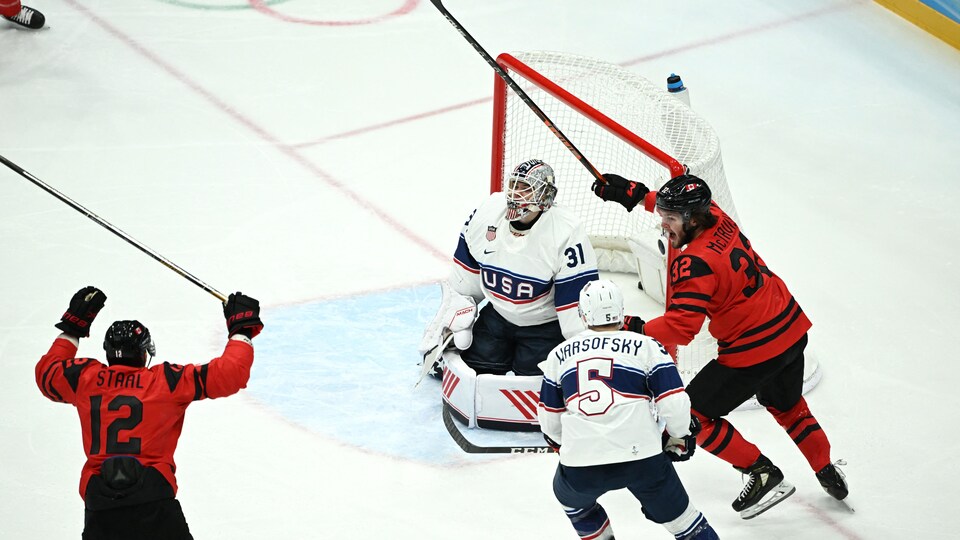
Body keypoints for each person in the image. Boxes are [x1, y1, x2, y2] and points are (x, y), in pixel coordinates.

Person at [592, 172, 848, 518]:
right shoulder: (717, 216)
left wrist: (633, 327)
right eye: (662, 215)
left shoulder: (693, 262)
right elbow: (678, 210)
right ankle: (826, 467)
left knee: (692, 415)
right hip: (789, 329)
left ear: (693, 220)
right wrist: (638, 196)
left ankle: (760, 472)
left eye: (670, 219)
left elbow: (682, 328)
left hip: (753, 348)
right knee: (787, 406)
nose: (663, 225)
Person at [35, 286, 263, 539]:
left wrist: (73, 328)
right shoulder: (166, 381)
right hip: (154, 500)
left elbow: (47, 374)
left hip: (101, 503)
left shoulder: (85, 379)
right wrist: (241, 331)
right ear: (144, 353)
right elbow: (231, 375)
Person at [537, 279, 719, 540]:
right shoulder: (647, 345)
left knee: (572, 502)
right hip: (642, 459)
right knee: (686, 523)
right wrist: (679, 436)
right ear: (622, 311)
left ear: (583, 315)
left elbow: (550, 422)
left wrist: (569, 447)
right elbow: (674, 402)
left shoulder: (558, 356)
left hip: (581, 466)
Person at [419, 159, 599, 377]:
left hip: (544, 326)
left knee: (540, 380)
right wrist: (454, 317)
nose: (515, 194)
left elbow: (574, 311)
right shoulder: (487, 213)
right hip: (497, 316)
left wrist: (585, 355)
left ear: (545, 196)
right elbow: (465, 281)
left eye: (526, 188)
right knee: (470, 368)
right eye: (514, 185)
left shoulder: (565, 233)